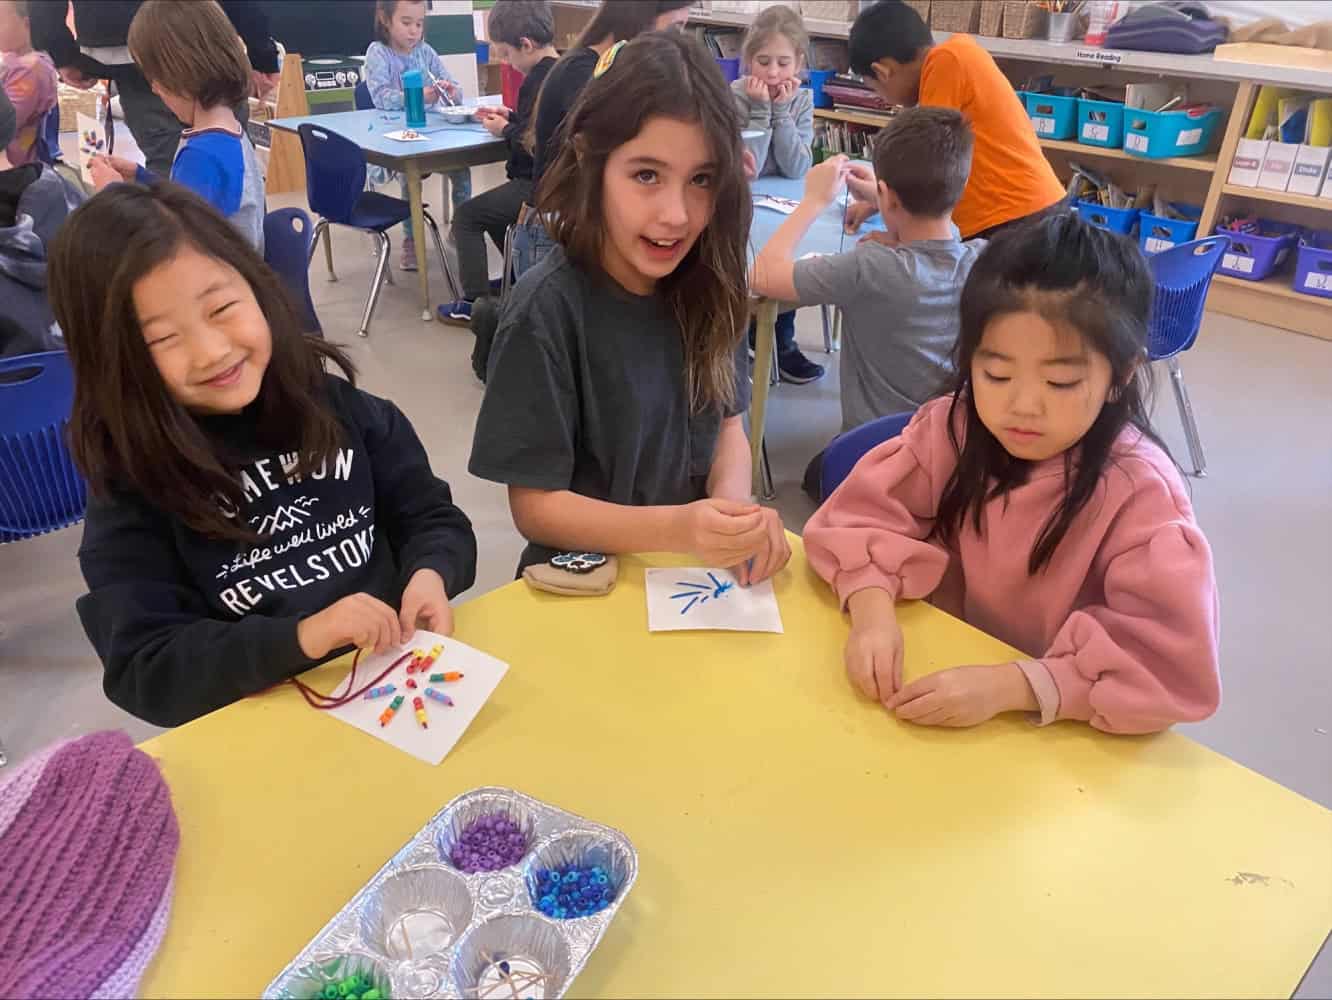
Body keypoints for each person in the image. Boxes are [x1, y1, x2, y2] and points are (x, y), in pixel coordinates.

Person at [48, 181, 477, 727]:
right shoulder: (131, 484)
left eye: (222, 307)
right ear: (113, 359)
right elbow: (147, 667)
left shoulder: (340, 409)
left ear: (257, 287)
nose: (212, 351)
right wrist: (303, 636)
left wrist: (432, 571)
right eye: (162, 339)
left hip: (395, 685)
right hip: (265, 722)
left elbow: (433, 518)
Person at [804, 213, 1221, 735]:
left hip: (1058, 723)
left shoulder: (1142, 495)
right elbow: (859, 520)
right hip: (940, 663)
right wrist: (872, 612)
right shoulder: (952, 427)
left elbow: (1164, 669)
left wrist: (1012, 687)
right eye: (996, 374)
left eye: (1060, 383)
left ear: (1122, 375)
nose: (1023, 406)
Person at [470, 33, 789, 587]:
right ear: (589, 160)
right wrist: (679, 529)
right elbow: (535, 507)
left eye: (701, 179)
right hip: (585, 584)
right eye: (646, 175)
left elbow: (729, 427)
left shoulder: (714, 283)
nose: (676, 215)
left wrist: (732, 514)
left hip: (692, 581)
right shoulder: (547, 311)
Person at [751, 107, 984, 497]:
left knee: (817, 472)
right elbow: (944, 237)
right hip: (952, 454)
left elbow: (762, 273)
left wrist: (814, 200)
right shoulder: (980, 260)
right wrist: (887, 205)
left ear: (887, 196)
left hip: (880, 458)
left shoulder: (868, 268)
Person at [842, 0, 1065, 242]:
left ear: (883, 71)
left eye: (875, 89)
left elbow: (925, 173)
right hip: (1028, 212)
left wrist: (895, 234)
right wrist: (878, 203)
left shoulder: (945, 63)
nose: (884, 99)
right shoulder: (958, 52)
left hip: (1015, 219)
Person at [89, 0, 265, 254]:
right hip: (235, 268)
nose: (153, 88)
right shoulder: (229, 132)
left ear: (180, 72)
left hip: (210, 272)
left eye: (154, 77)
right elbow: (191, 199)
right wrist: (141, 176)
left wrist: (113, 193)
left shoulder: (201, 156)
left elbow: (173, 245)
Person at [27, 0, 278, 178]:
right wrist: (261, 50)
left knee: (177, 163)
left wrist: (61, 51)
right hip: (202, 35)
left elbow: (187, 208)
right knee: (234, 162)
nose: (158, 89)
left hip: (133, 47)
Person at [437, 0, 557, 335]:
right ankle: (516, 279)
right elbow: (543, 126)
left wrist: (505, 129)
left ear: (526, 45)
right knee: (494, 216)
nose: (506, 62)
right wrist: (513, 118)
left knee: (467, 217)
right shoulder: (561, 71)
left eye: (506, 53)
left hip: (536, 183)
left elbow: (536, 144)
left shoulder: (538, 80)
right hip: (549, 180)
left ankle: (474, 305)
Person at [732, 3, 822, 385]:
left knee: (785, 265)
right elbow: (749, 165)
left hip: (783, 205)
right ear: (748, 60)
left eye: (783, 63)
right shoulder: (736, 95)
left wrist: (781, 113)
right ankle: (741, 343)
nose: (772, 73)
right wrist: (759, 111)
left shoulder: (801, 99)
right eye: (763, 61)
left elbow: (797, 166)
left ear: (799, 62)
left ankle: (781, 344)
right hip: (742, 202)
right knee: (743, 267)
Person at [364, 0, 471, 272]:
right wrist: (416, 96)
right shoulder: (378, 53)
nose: (414, 31)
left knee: (461, 168)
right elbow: (381, 97)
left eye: (419, 24)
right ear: (385, 19)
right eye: (406, 23)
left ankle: (461, 228)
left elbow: (455, 88)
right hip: (395, 137)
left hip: (432, 135)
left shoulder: (426, 52)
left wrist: (450, 91)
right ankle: (411, 239)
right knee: (408, 176)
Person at [0, 1, 57, 167]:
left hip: (13, 165)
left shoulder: (29, 69)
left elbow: (6, 123)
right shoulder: (17, 60)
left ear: (26, 23)